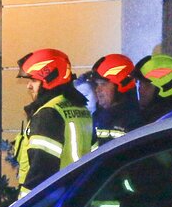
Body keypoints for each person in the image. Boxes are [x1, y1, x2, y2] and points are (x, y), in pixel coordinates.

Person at [10, 49, 92, 197]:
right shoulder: (80, 108)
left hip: (50, 202)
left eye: (33, 80)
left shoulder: (48, 113)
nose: (29, 86)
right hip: (75, 194)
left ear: (49, 80)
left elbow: (41, 170)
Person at [89, 53, 145, 144]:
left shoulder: (134, 122)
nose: (97, 89)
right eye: (97, 84)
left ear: (122, 85)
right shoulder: (98, 116)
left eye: (103, 84)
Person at [136, 52, 172, 124]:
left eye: (147, 85)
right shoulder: (147, 115)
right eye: (139, 83)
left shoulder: (163, 121)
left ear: (165, 87)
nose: (140, 89)